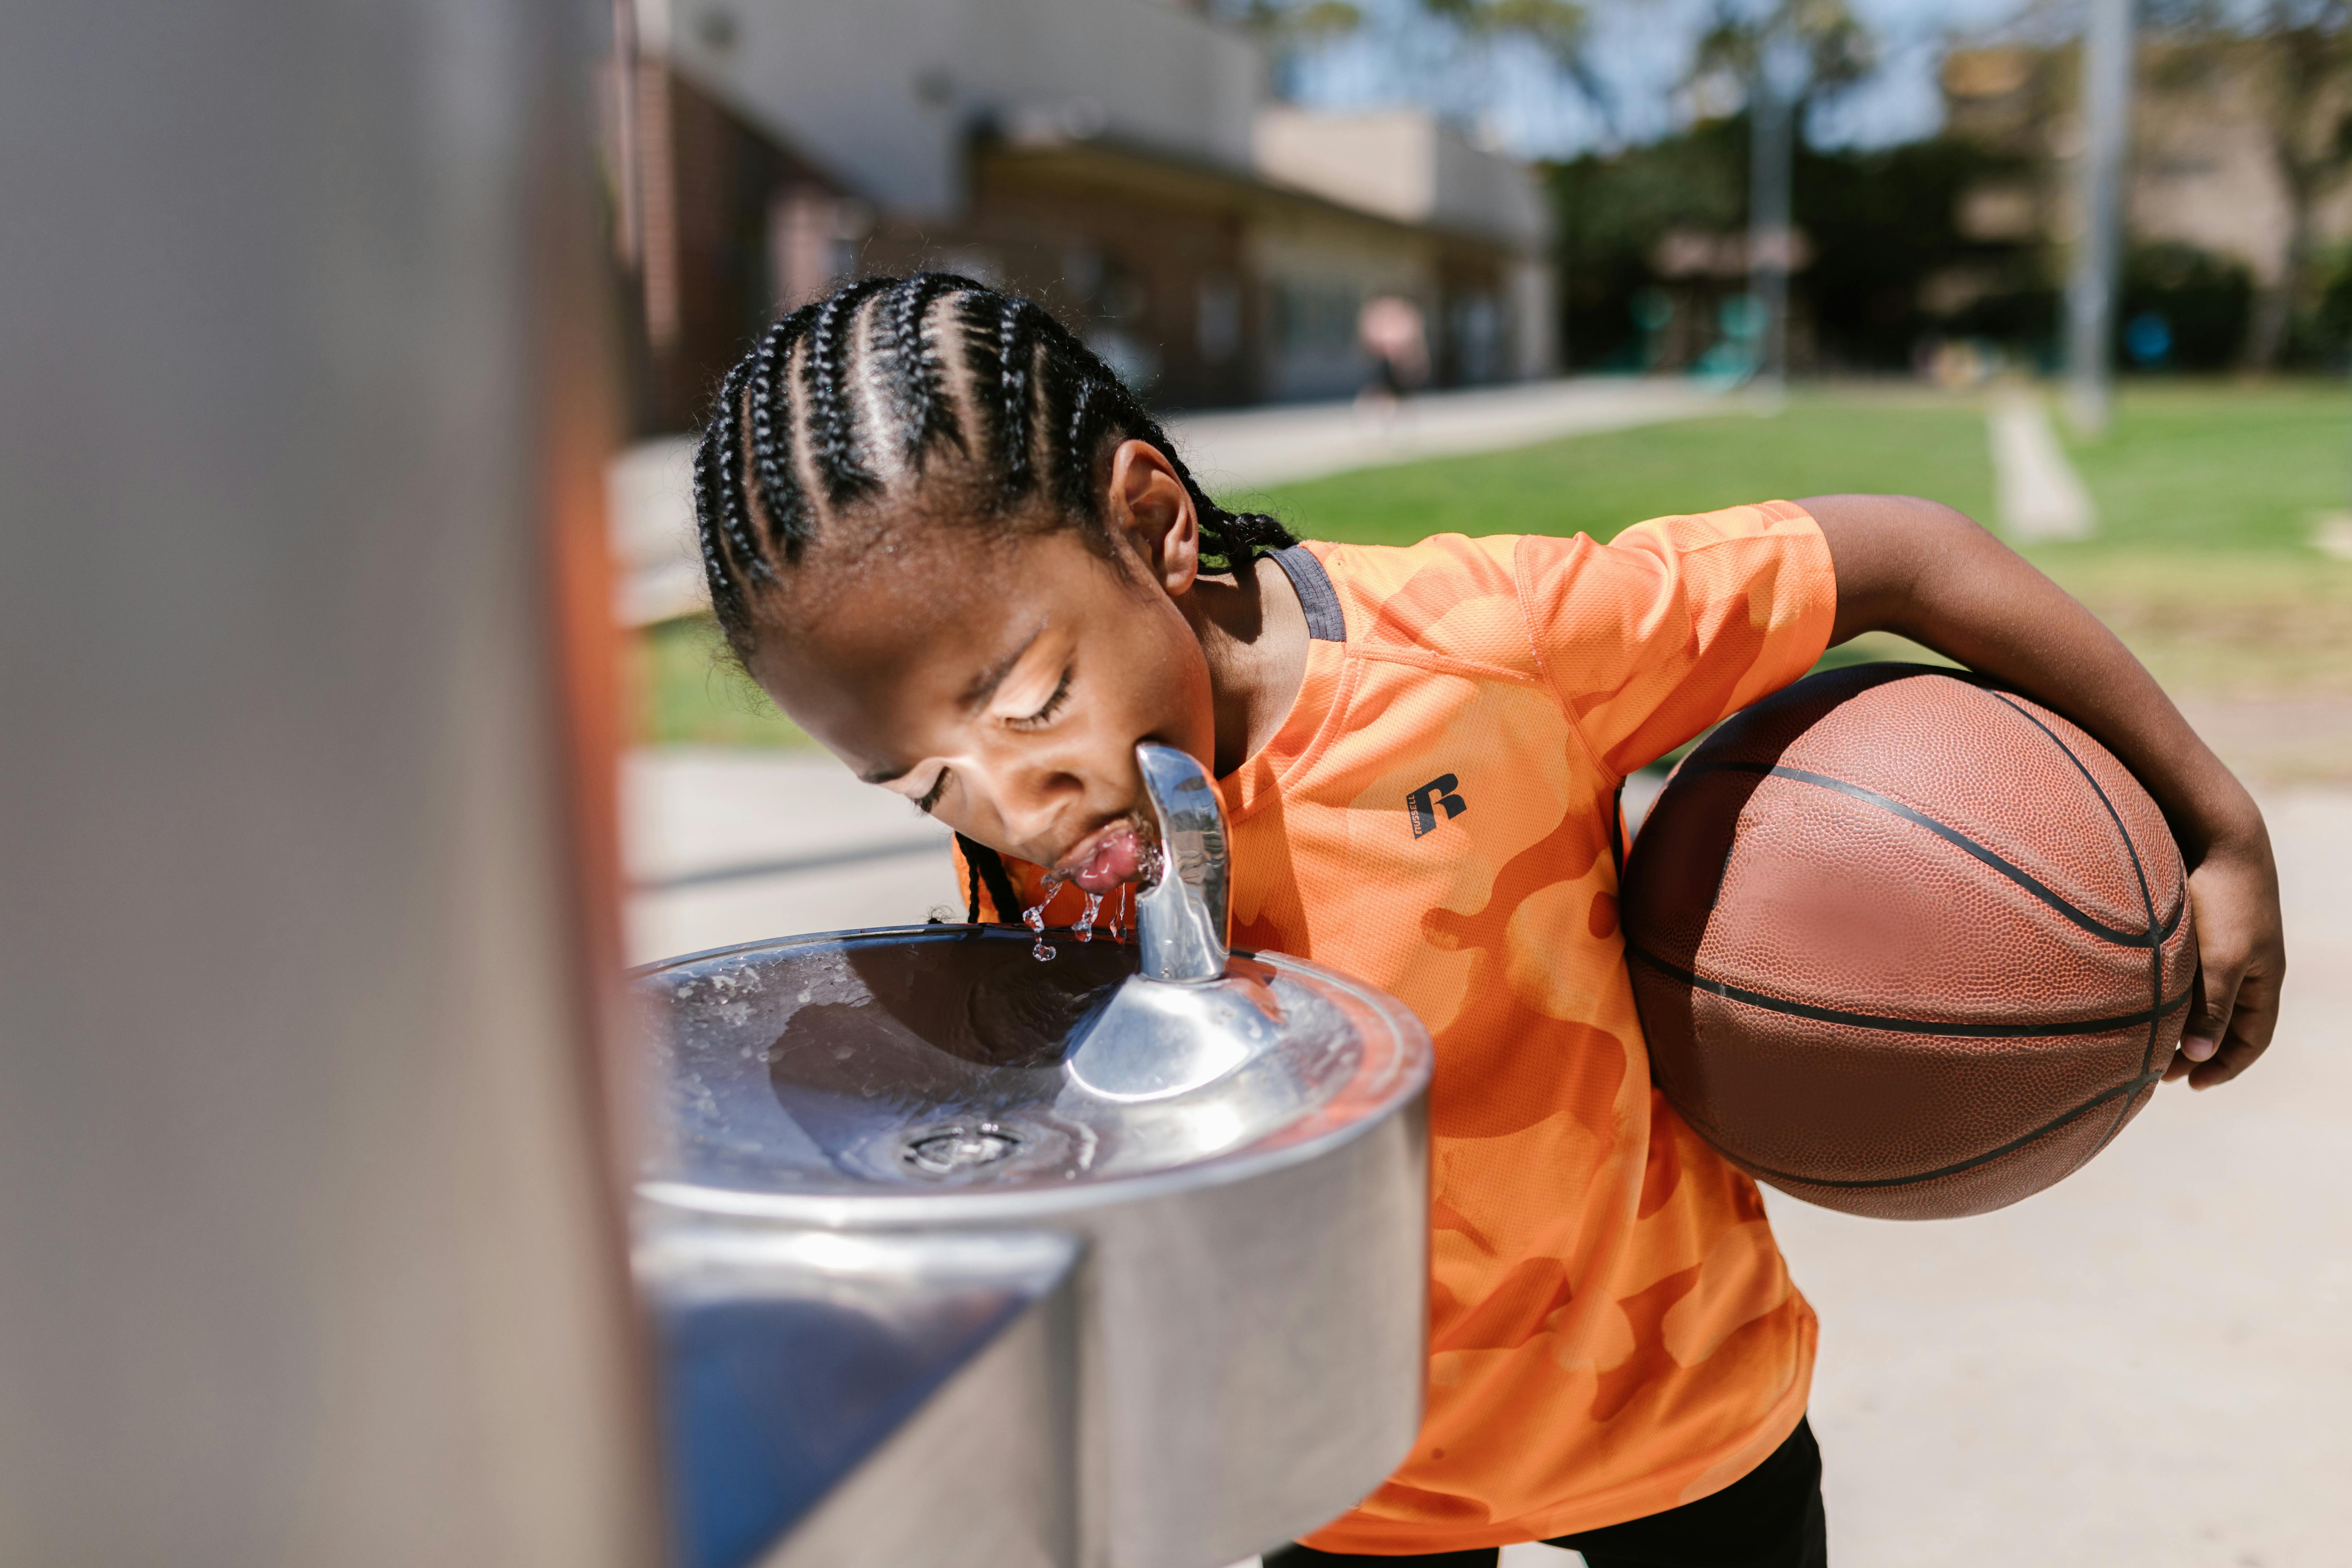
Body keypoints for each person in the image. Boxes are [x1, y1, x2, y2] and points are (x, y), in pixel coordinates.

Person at [686, 274, 2286, 1566]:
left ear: (1156, 523)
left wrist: (2216, 827)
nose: (1008, 806)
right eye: (921, 784)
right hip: (1352, 1461)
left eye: (1031, 701)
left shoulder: (1497, 646)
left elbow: (1911, 558)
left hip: (1674, 1400)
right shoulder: (1035, 841)